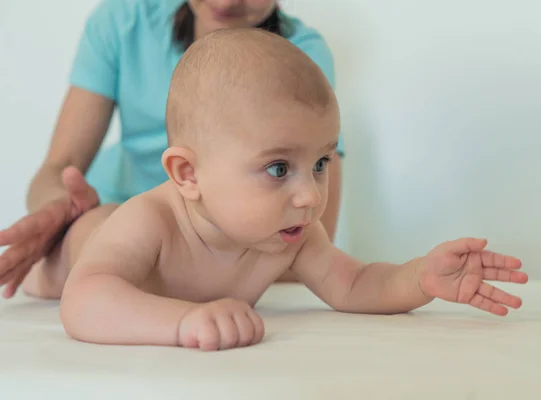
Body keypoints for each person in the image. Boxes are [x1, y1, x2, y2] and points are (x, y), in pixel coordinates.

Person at [21, 28, 526, 351]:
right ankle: (74, 222)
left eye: (321, 162)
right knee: (76, 247)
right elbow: (84, 299)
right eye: (280, 169)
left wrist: (420, 278)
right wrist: (184, 322)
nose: (310, 196)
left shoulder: (289, 236)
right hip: (72, 250)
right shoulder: (149, 222)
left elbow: (353, 284)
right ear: (188, 175)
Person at [0, 0, 344, 297]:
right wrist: (62, 213)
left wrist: (194, 265)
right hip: (108, 213)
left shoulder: (303, 60)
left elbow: (309, 238)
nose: (224, 3)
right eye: (279, 167)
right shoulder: (125, 20)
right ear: (183, 172)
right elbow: (60, 167)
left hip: (221, 245)